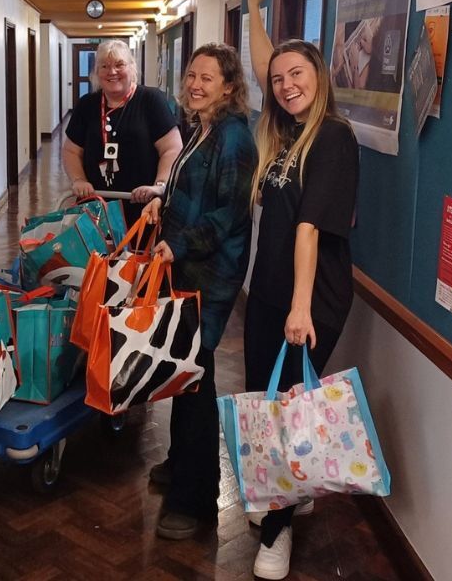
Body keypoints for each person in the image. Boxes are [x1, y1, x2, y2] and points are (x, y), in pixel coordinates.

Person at [246, 0, 360, 577]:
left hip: (310, 296)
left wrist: (299, 307)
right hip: (272, 288)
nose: (286, 84)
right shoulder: (287, 128)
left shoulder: (333, 137)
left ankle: (278, 531)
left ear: (320, 77)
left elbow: (310, 228)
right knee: (271, 402)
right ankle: (286, 491)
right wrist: (254, 6)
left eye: (298, 75)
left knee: (290, 405)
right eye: (280, 79)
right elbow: (268, 63)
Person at [141, 43, 257, 540]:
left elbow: (227, 215)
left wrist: (176, 243)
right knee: (182, 368)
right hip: (185, 263)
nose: (195, 84)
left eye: (207, 78)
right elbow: (191, 191)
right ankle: (179, 460)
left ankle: (196, 499)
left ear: (228, 86)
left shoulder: (234, 138)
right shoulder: (200, 127)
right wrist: (160, 205)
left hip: (209, 274)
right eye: (191, 75)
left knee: (196, 378)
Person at [63, 39, 182, 223]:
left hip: (144, 208)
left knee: (138, 252)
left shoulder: (151, 100)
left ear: (132, 67)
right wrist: (78, 180)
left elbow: (172, 149)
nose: (112, 72)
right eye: (104, 66)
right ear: (96, 72)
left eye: (119, 65)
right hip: (96, 206)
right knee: (96, 252)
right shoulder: (87, 105)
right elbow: (71, 150)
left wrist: (159, 185)